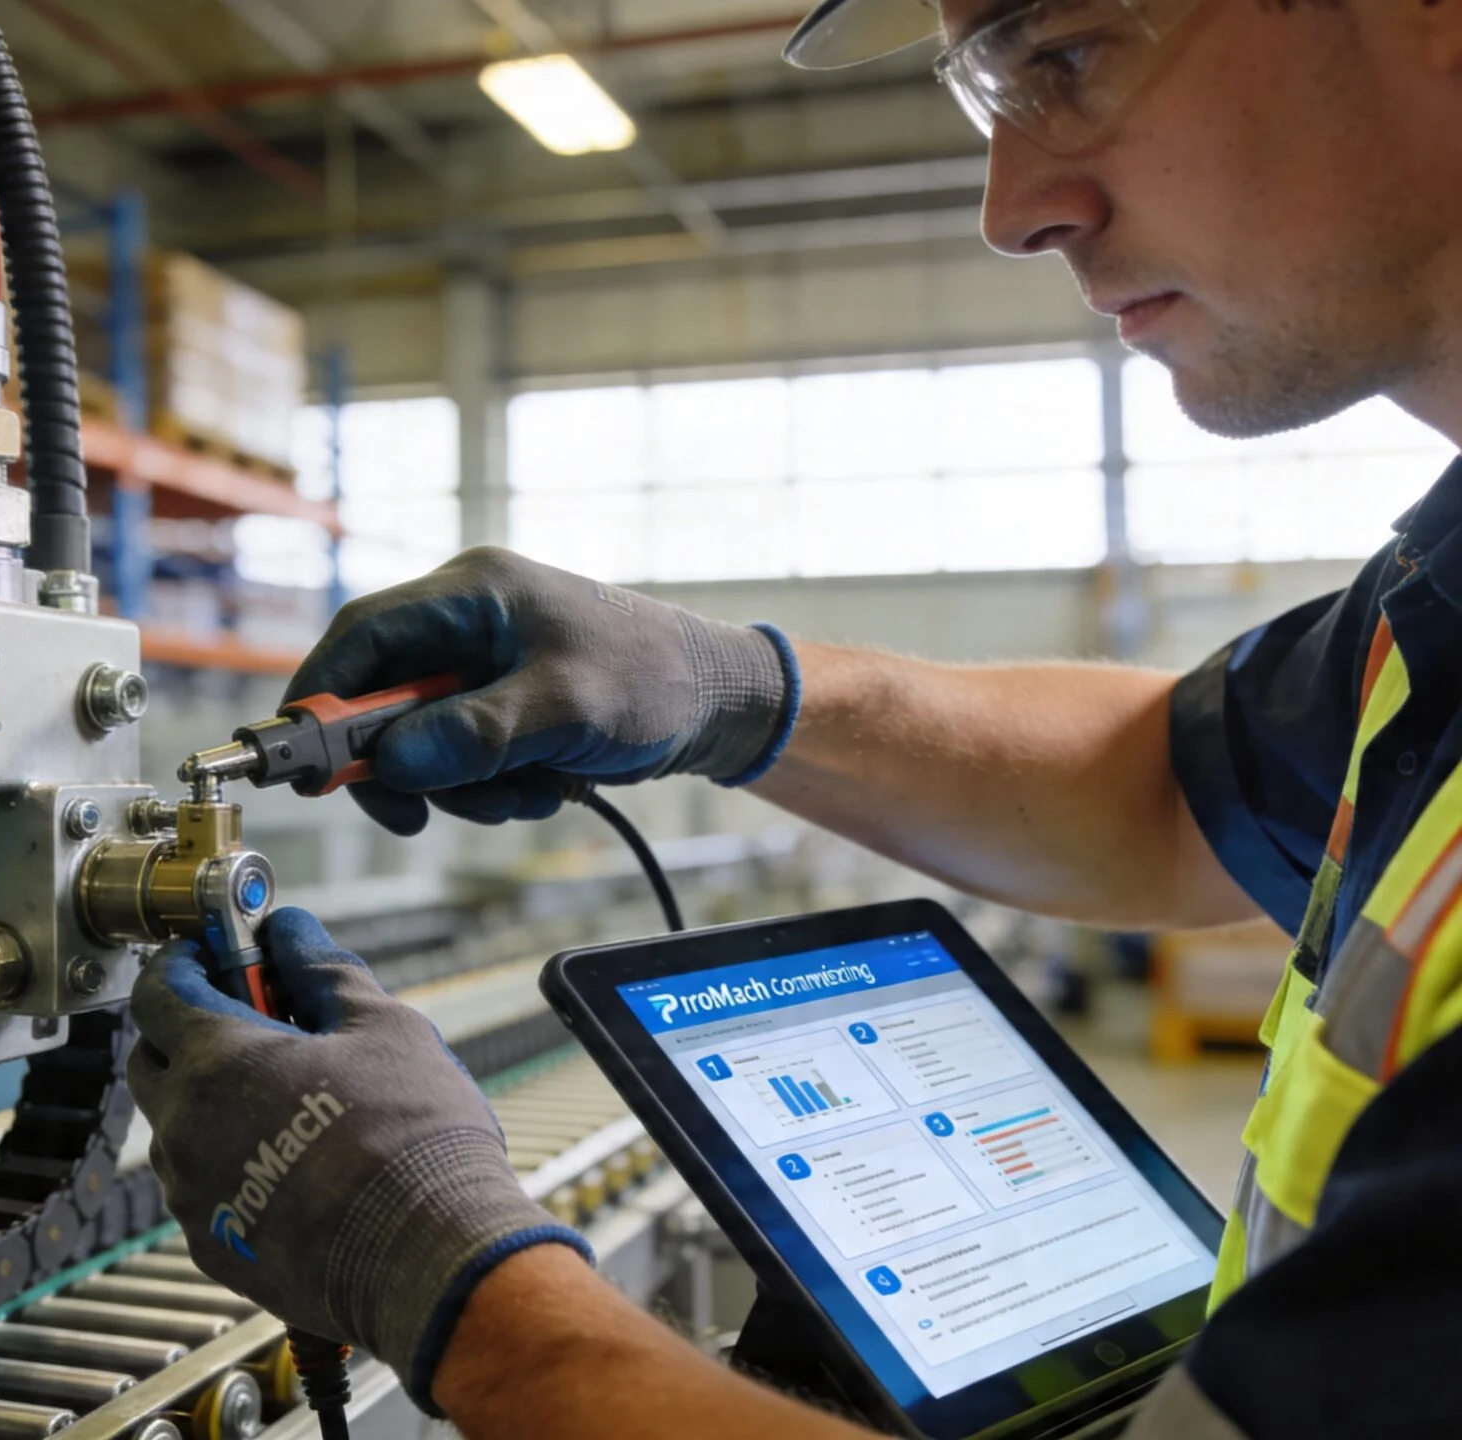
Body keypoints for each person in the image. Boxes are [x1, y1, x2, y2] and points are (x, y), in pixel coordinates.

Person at [126, 0, 1462, 1430]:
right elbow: (1160, 787)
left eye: (1065, 55)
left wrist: (473, 1301)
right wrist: (726, 689)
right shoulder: (1436, 606)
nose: (1012, 209)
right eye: (983, 95)